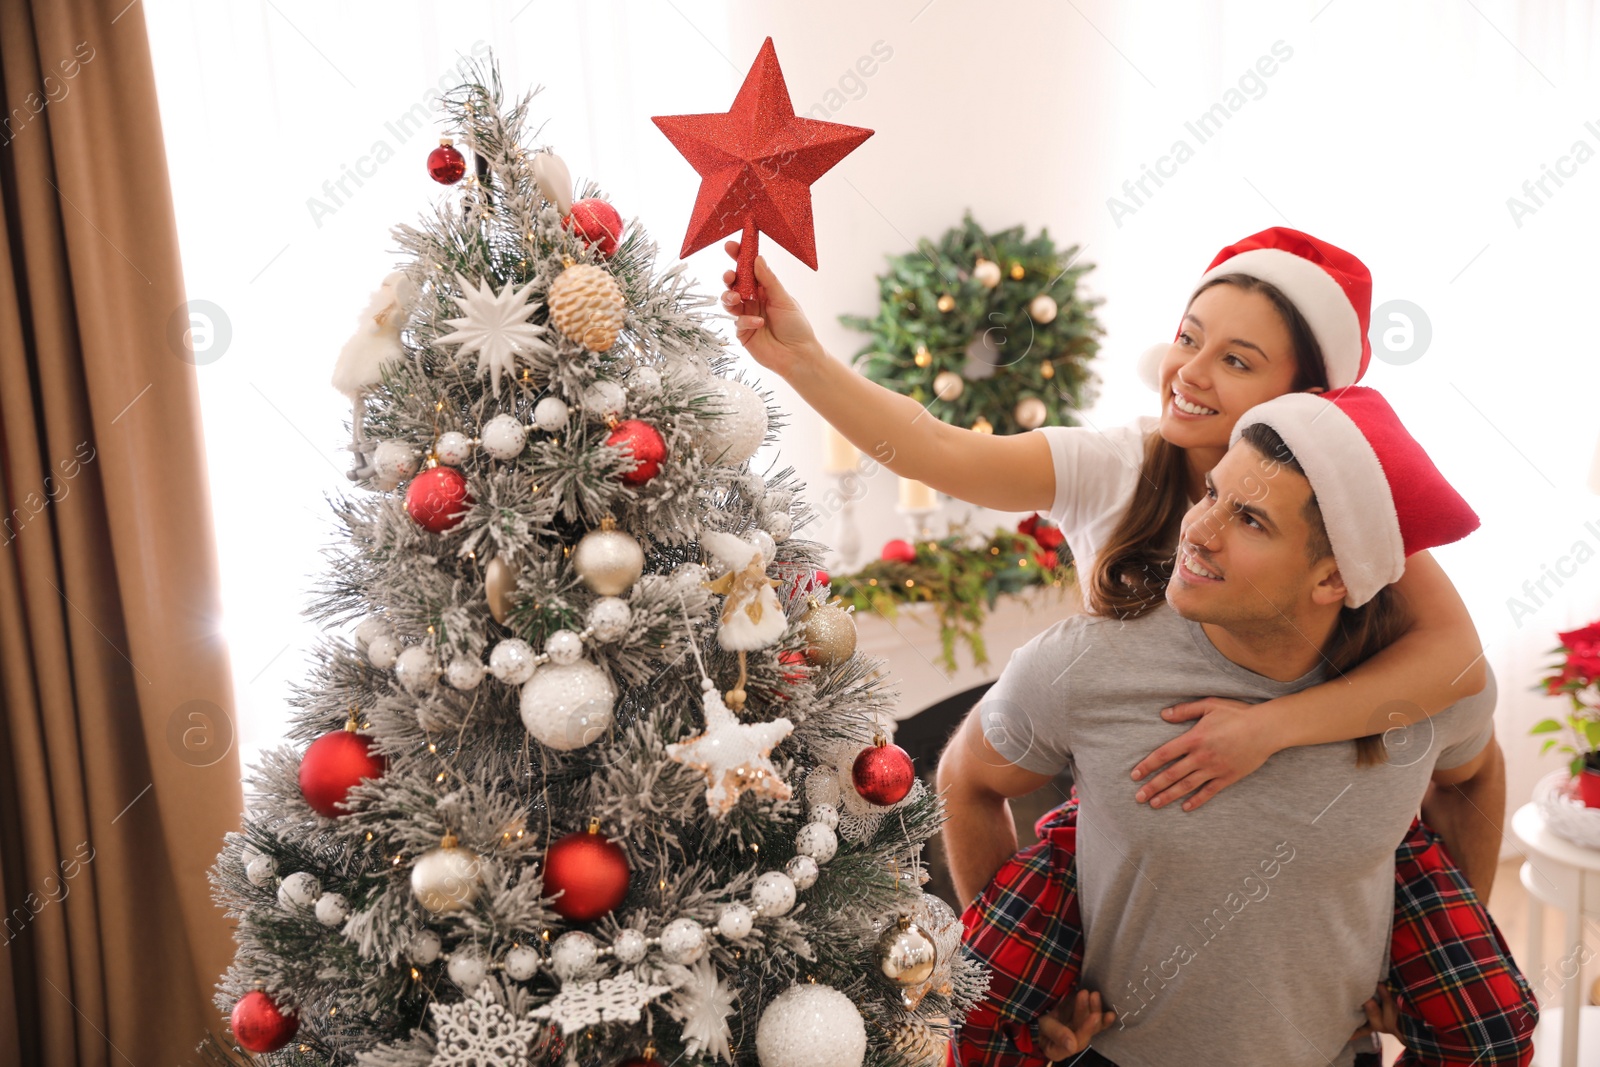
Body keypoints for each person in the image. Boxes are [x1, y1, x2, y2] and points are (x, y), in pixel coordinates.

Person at [720, 227, 1488, 811]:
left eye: (1237, 360)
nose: (1189, 371)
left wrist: (1272, 728)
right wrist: (803, 360)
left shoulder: (1341, 504)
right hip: (1125, 799)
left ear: (1305, 394)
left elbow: (1455, 658)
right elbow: (930, 448)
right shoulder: (1115, 463)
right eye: (1189, 337)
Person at [938, 387, 1536, 1066]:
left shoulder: (1425, 695)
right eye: (1213, 493)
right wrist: (1029, 989)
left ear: (1332, 578)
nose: (1199, 528)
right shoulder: (1083, 665)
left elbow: (1477, 771)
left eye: (1249, 519)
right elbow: (966, 776)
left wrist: (1425, 966)